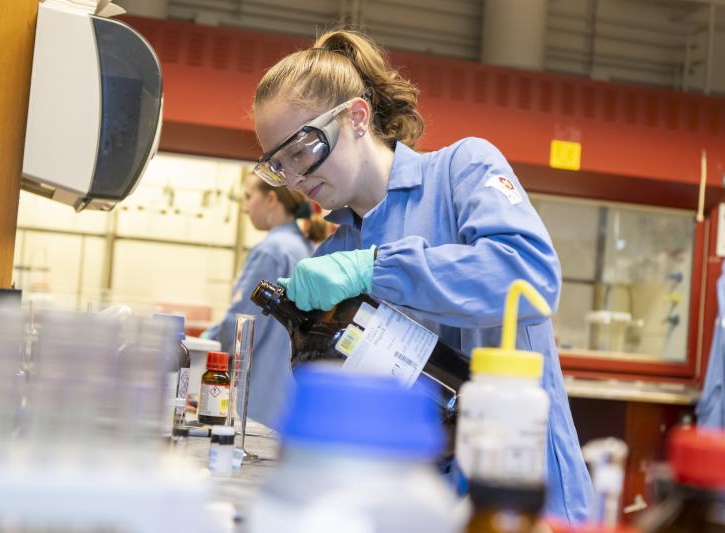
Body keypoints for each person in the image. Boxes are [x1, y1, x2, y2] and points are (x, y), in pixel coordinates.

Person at [250, 29, 593, 524]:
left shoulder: (462, 171)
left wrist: (375, 269)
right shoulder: (336, 251)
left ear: (357, 117)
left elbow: (531, 278)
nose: (297, 179)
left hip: (522, 502)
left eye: (302, 149)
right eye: (277, 167)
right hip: (411, 508)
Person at [203, 172, 327, 427]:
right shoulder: (303, 248)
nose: (245, 207)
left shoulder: (271, 251)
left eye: (249, 197)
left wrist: (205, 343)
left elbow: (240, 324)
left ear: (271, 198)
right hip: (285, 396)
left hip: (257, 398)